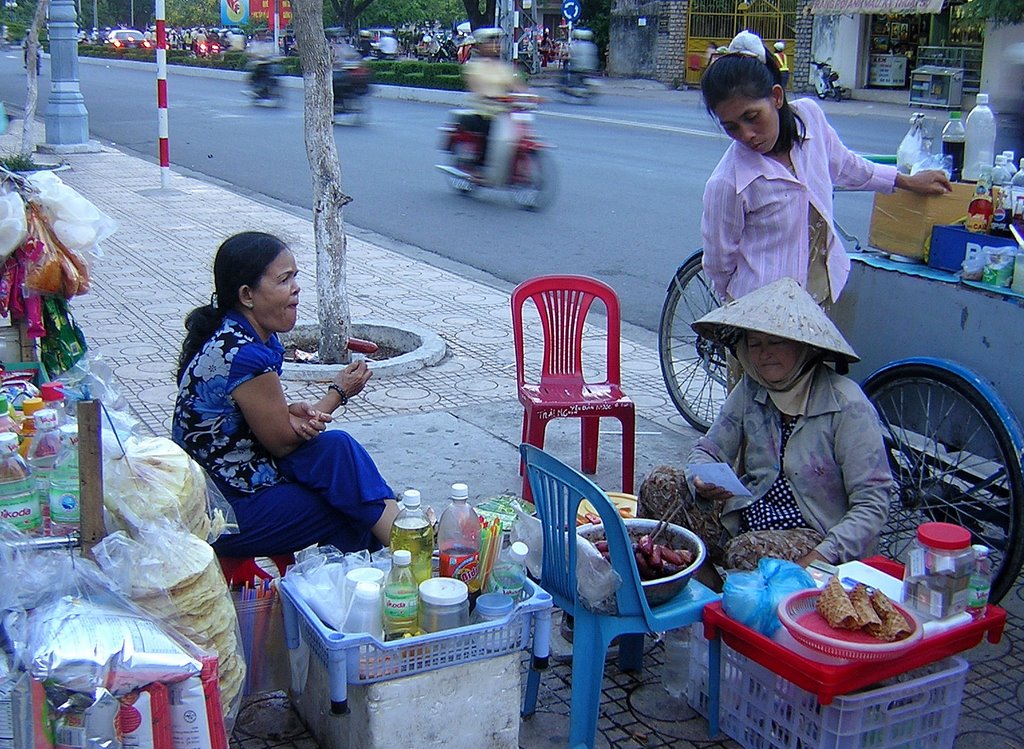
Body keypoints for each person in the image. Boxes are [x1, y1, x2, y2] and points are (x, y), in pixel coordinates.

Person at [638, 277, 893, 574]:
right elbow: (709, 448)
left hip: (816, 535)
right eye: (755, 344)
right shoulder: (752, 388)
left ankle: (729, 607)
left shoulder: (846, 405)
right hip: (745, 514)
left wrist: (823, 555)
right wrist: (700, 480)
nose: (763, 354)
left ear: (803, 346)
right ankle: (704, 596)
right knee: (660, 483)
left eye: (776, 342)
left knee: (746, 552)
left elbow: (872, 503)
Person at [172, 232, 400, 558]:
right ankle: (403, 548)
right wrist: (338, 392)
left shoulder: (242, 333)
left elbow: (250, 419)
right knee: (350, 507)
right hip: (222, 509)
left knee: (337, 448)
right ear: (247, 295)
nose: (296, 288)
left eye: (295, 277)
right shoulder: (244, 352)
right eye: (283, 280)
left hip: (242, 476)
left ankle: (400, 536)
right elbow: (281, 442)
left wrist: (289, 409)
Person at [699, 31, 952, 307]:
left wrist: (905, 181)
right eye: (732, 127)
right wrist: (737, 318)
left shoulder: (809, 118)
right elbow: (718, 261)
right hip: (760, 309)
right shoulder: (729, 182)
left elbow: (845, 164)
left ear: (776, 97)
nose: (747, 134)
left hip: (820, 288)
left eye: (752, 117)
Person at [462, 27, 524, 179]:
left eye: (496, 42)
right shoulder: (474, 66)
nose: (495, 45)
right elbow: (477, 87)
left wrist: (530, 94)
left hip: (503, 110)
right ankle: (478, 166)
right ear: (481, 45)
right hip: (484, 111)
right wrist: (489, 95)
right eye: (490, 42)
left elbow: (515, 84)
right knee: (489, 131)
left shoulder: (502, 67)